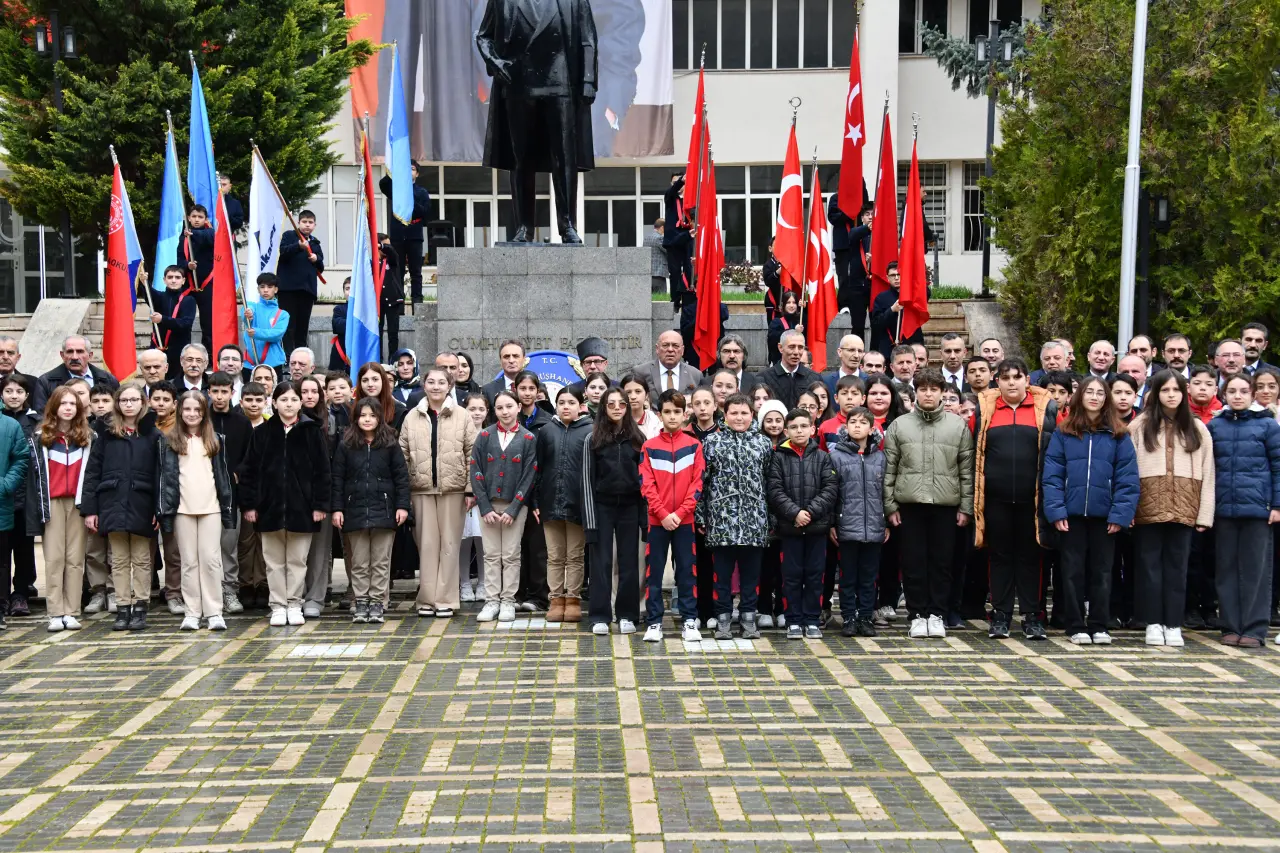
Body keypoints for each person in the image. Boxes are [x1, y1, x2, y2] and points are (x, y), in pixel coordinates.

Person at [1041, 376, 1140, 644]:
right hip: (1071, 516)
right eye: (1089, 392)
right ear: (1080, 397)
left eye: (1100, 393)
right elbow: (1052, 475)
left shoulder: (1119, 435)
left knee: (1103, 571)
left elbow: (1127, 479)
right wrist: (1056, 511)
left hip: (1104, 517)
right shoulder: (1064, 432)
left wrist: (1121, 514)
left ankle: (1099, 624)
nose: (1094, 397)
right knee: (1072, 572)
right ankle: (1075, 625)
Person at [882, 368, 974, 640]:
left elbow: (966, 470)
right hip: (909, 505)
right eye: (923, 389)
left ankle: (937, 614)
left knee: (942, 563)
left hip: (946, 505)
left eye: (934, 389)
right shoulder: (900, 425)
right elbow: (889, 470)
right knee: (912, 563)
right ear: (916, 393)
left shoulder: (957, 426)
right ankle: (916, 614)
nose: (928, 394)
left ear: (942, 393)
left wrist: (966, 507)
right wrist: (890, 506)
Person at [971, 358, 1058, 641]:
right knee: (999, 557)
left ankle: (1033, 617)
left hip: (1031, 500)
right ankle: (1001, 615)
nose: (1011, 382)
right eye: (1005, 377)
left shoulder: (1046, 410)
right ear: (997, 381)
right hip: (995, 500)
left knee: (1032, 557)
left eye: (1017, 377)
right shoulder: (984, 410)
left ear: (1027, 381)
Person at [1129, 370, 1214, 647]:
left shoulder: (1198, 428)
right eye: (1165, 390)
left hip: (1184, 508)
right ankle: (1153, 622)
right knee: (1149, 567)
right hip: (1147, 508)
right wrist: (1127, 510)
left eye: (1176, 390)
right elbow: (1127, 473)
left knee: (1178, 568)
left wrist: (1205, 514)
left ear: (1184, 392)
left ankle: (1173, 623)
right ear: (1155, 393)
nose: (1171, 395)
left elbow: (1208, 472)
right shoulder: (1139, 426)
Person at [239, 381, 332, 627]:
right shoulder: (262, 433)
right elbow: (248, 472)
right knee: (273, 561)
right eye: (283, 400)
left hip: (303, 509)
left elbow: (323, 472)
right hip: (269, 509)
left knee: (298, 560)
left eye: (293, 399)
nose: (288, 404)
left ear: (301, 403)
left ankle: (294, 603)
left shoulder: (312, 431)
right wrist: (249, 505)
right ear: (274, 402)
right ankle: (278, 604)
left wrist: (320, 505)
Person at [1207, 374, 1280, 647]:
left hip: (1259, 511)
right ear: (1224, 394)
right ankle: (1230, 625)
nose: (1238, 396)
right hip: (1224, 510)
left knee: (1256, 571)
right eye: (1232, 391)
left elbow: (1278, 466)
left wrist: (1277, 505)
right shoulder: (1215, 426)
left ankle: (1254, 628)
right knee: (1225, 569)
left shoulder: (1268, 426)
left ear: (1252, 395)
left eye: (1243, 391)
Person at [80, 382, 158, 631]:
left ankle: (141, 607)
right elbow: (92, 472)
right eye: (124, 400)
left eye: (134, 400)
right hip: (112, 503)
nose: (129, 404)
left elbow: (161, 475)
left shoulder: (153, 435)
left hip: (142, 503)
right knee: (120, 560)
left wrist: (159, 508)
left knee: (142, 559)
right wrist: (91, 509)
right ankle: (123, 608)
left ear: (142, 403)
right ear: (117, 404)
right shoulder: (107, 434)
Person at [400, 366, 478, 618]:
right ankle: (426, 599)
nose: (436, 386)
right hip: (420, 489)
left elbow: (472, 455)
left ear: (449, 386)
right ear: (424, 385)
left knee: (450, 544)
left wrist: (470, 489)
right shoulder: (412, 416)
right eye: (431, 382)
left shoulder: (463, 416)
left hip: (453, 490)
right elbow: (402, 454)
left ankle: (445, 599)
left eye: (441, 382)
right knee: (427, 544)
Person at [158, 391, 236, 631]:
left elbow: (222, 477)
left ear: (204, 413)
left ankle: (214, 611)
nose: (192, 414)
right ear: (180, 411)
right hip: (183, 509)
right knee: (189, 562)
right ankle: (192, 611)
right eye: (187, 409)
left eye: (197, 410)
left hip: (210, 508)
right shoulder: (169, 441)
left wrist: (226, 508)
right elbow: (166, 479)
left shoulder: (216, 439)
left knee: (211, 560)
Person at [698, 393, 774, 640]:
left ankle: (748, 619)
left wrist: (770, 517)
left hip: (754, 520)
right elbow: (703, 483)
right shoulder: (712, 442)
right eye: (734, 413)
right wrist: (701, 516)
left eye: (744, 413)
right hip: (722, 521)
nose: (739, 417)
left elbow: (769, 482)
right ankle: (722, 620)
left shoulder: (763, 443)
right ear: (725, 414)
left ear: (752, 415)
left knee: (751, 577)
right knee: (722, 576)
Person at [331, 397, 411, 624]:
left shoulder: (390, 443)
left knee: (380, 561)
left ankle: (377, 602)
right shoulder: (347, 444)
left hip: (384, 511)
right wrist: (337, 508)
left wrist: (402, 506)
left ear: (380, 418)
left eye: (372, 415)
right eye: (363, 415)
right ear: (355, 418)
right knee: (359, 561)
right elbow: (337, 479)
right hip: (354, 510)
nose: (367, 420)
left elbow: (401, 478)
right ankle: (361, 602)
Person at [766, 407, 838, 640]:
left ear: (813, 429)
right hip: (790, 528)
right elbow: (774, 491)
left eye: (804, 426)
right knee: (791, 576)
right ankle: (793, 620)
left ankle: (812, 619)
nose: (799, 431)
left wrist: (811, 512)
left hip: (816, 528)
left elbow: (830, 489)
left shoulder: (823, 457)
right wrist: (795, 513)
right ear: (786, 430)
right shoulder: (778, 456)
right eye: (794, 427)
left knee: (815, 575)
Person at [639, 390, 705, 643]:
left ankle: (689, 620)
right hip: (657, 521)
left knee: (687, 572)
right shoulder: (649, 447)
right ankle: (654, 622)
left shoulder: (694, 445)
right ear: (659, 414)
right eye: (667, 411)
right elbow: (647, 485)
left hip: (684, 521)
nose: (673, 416)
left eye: (677, 411)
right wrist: (663, 514)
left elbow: (697, 485)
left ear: (685, 414)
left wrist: (680, 513)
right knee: (654, 573)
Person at [26, 386, 93, 631]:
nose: (67, 408)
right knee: (55, 558)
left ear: (78, 409)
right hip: (51, 502)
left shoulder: (87, 436)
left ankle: (72, 611)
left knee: (75, 559)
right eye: (63, 403)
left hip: (77, 503)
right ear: (54, 407)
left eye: (72, 404)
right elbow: (33, 479)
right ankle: (55, 612)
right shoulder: (40, 436)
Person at [581, 388, 646, 635]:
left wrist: (644, 518)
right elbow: (586, 480)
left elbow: (644, 481)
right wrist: (590, 521)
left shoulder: (638, 439)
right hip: (602, 507)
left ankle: (627, 615)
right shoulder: (593, 439)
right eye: (611, 404)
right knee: (601, 561)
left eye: (622, 403)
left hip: (630, 507)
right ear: (603, 408)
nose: (617, 408)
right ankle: (599, 615)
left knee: (629, 562)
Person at [532, 387, 591, 623]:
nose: (566, 406)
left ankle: (573, 599)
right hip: (549, 502)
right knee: (555, 555)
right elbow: (537, 468)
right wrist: (535, 500)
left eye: (571, 402)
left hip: (578, 504)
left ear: (580, 406)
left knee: (575, 555)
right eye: (561, 402)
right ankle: (556, 599)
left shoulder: (590, 431)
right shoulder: (546, 431)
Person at [829, 406, 886, 637]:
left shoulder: (881, 457)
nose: (857, 426)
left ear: (872, 429)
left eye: (863, 423)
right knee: (847, 576)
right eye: (853, 422)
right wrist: (832, 523)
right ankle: (849, 617)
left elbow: (886, 492)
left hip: (874, 526)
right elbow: (832, 493)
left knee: (869, 576)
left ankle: (865, 616)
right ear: (846, 426)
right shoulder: (836, 456)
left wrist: (886, 523)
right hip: (847, 526)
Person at [207, 372, 250, 614]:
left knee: (229, 544)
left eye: (225, 391)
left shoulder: (241, 423)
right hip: (205, 492)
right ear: (209, 392)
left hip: (232, 494)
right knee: (206, 545)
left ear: (232, 393)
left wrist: (238, 473)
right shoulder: (203, 420)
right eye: (216, 391)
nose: (220, 396)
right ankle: (210, 591)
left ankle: (229, 590)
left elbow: (249, 455)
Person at [277, 211, 324, 356]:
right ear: (298, 223)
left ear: (315, 225)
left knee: (303, 327)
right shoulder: (289, 236)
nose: (307, 225)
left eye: (310, 222)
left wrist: (317, 259)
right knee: (288, 326)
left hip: (307, 290)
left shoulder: (315, 243)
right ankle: (288, 357)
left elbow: (320, 268)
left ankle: (301, 356)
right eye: (304, 222)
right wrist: (298, 246)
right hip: (288, 289)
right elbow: (282, 253)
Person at [32, 336, 118, 414]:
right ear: (62, 355)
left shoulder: (108, 379)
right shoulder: (46, 381)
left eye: (80, 351)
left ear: (90, 355)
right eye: (70, 352)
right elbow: (40, 415)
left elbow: (117, 411)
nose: (74, 357)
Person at [177, 204, 216, 355]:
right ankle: (185, 353)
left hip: (207, 284)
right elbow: (179, 259)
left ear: (205, 219)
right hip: (189, 285)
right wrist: (187, 265)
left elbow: (211, 238)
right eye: (193, 216)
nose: (197, 219)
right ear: (188, 218)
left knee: (208, 323)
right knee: (185, 320)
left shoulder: (209, 233)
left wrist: (192, 233)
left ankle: (210, 356)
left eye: (200, 217)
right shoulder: (183, 237)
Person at [631, 331, 704, 408]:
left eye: (675, 346)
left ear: (682, 350)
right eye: (665, 345)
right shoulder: (640, 372)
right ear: (657, 349)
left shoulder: (695, 375)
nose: (670, 349)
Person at [150, 265, 197, 380]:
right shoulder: (159, 297)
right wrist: (143, 280)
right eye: (170, 277)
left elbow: (185, 323)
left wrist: (163, 320)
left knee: (176, 384)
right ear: (164, 280)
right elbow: (146, 290)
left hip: (178, 350)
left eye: (177, 277)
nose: (173, 280)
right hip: (158, 347)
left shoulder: (189, 300)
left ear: (183, 280)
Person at [870, 263, 923, 359]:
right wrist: (891, 310)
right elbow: (876, 324)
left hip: (912, 344)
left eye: (899, 274)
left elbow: (926, 291)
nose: (897, 278)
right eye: (893, 275)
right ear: (887, 277)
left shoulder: (914, 295)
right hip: (889, 348)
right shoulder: (881, 298)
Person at [240, 273, 291, 375]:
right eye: (262, 287)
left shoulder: (283, 314)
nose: (265, 290)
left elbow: (277, 334)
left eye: (270, 287)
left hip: (273, 364)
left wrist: (256, 333)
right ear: (258, 289)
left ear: (276, 290)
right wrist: (248, 312)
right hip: (249, 364)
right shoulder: (251, 306)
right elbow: (246, 311)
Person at [757, 330, 820, 410]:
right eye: (792, 347)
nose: (796, 352)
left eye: (800, 347)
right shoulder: (764, 378)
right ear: (780, 348)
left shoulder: (814, 378)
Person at [767, 291, 804, 366]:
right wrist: (794, 331)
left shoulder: (800, 321)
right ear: (783, 305)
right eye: (788, 302)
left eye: (794, 303)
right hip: (779, 363)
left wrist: (805, 308)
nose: (791, 305)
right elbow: (772, 341)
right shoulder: (776, 322)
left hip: (797, 363)